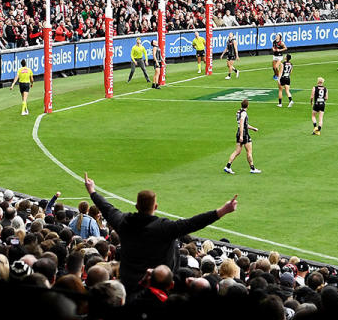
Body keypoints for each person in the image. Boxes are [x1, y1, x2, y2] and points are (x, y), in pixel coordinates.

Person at [84, 172, 238, 294]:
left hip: (128, 285)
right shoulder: (164, 228)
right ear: (155, 206)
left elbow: (107, 208)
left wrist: (92, 191)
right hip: (157, 287)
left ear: (136, 205)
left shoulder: (124, 222)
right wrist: (222, 211)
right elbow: (193, 223)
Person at [224, 99, 260, 174]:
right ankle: (252, 168)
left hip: (239, 132)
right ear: (248, 105)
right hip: (244, 134)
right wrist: (241, 136)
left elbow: (244, 124)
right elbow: (242, 123)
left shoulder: (238, 112)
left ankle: (228, 166)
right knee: (249, 152)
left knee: (237, 151)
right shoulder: (244, 113)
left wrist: (253, 128)